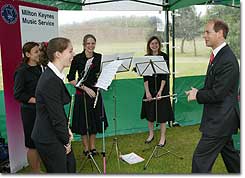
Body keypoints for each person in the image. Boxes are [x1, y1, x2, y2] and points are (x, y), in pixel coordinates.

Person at [185, 19, 240, 173]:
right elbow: (214, 87)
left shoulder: (227, 59)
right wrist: (198, 92)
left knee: (200, 161)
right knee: (232, 159)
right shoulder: (219, 55)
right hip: (222, 120)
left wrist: (198, 95)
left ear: (220, 33)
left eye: (208, 32)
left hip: (220, 121)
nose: (204, 35)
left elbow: (218, 93)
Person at [31, 37, 76, 173]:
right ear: (58, 54)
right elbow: (55, 117)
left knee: (70, 168)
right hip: (48, 138)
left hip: (54, 134)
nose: (73, 54)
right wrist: (65, 141)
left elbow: (57, 112)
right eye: (70, 51)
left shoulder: (53, 76)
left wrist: (66, 132)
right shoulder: (50, 79)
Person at [67, 34, 108, 156]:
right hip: (82, 94)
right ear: (84, 45)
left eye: (93, 43)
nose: (91, 45)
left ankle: (93, 147)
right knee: (83, 124)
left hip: (95, 94)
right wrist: (85, 88)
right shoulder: (77, 58)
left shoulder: (99, 57)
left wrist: (103, 82)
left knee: (94, 122)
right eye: (88, 43)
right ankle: (86, 148)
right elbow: (70, 78)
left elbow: (101, 74)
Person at [141, 36, 174, 147]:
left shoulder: (164, 56)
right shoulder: (146, 57)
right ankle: (151, 135)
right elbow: (145, 78)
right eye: (152, 43)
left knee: (162, 114)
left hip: (162, 88)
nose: (154, 45)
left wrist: (160, 91)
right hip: (149, 89)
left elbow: (165, 76)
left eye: (156, 43)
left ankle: (162, 138)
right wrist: (147, 92)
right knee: (150, 113)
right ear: (149, 45)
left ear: (159, 45)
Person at [14, 42, 42, 173]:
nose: (39, 53)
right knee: (32, 145)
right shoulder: (21, 71)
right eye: (36, 52)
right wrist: (36, 101)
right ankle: (35, 172)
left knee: (41, 142)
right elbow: (18, 94)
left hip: (42, 111)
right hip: (30, 112)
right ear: (27, 54)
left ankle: (39, 169)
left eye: (39, 51)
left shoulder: (41, 68)